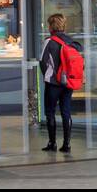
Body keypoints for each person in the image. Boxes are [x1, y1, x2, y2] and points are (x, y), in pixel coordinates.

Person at [39, 13, 82, 153]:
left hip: (53, 83)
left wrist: (48, 75)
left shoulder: (49, 41)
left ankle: (52, 143)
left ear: (51, 26)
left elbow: (42, 61)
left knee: (50, 112)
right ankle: (67, 144)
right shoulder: (71, 41)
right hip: (68, 82)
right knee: (66, 112)